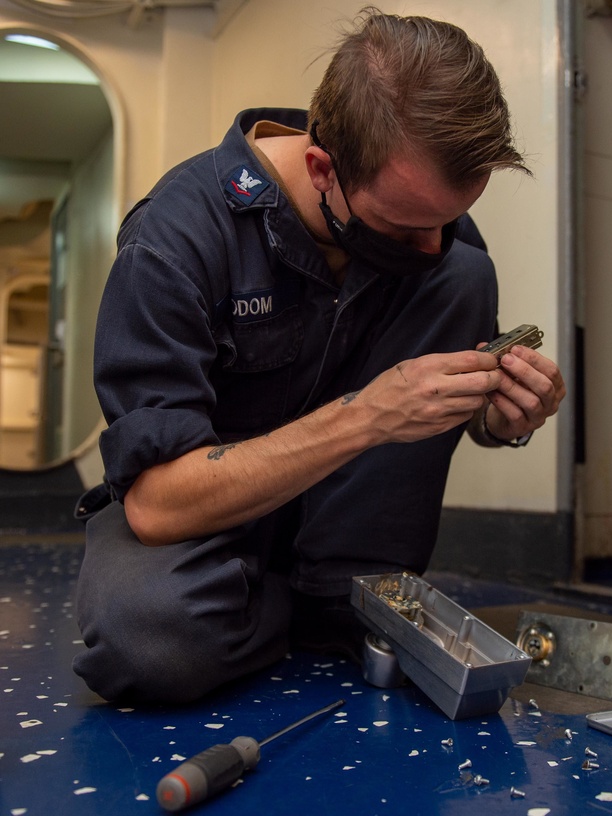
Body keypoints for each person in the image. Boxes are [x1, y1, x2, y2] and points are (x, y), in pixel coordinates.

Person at [72, 7, 565, 704]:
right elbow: (154, 506)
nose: (431, 247)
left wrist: (501, 419)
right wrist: (367, 416)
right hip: (207, 521)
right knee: (146, 638)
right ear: (320, 166)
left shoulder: (434, 237)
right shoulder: (175, 242)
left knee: (465, 276)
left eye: (447, 221)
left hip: (352, 536)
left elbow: (447, 401)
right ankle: (301, 604)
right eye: (404, 227)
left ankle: (338, 594)